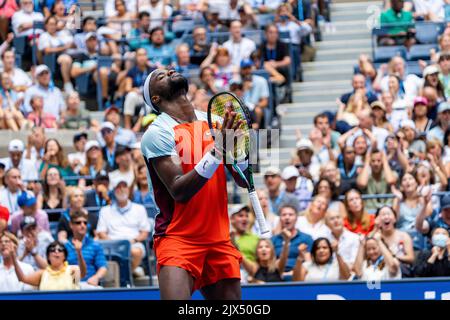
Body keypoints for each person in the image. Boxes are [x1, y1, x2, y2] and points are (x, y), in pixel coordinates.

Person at [140, 68, 247, 299]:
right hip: (178, 237)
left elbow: (242, 179)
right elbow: (179, 190)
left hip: (218, 237)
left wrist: (243, 150)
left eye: (169, 70)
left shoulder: (216, 122)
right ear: (156, 99)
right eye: (161, 76)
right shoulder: (157, 133)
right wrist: (218, 150)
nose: (169, 71)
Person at [97, 180, 151, 278]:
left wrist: (133, 240)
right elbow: (101, 233)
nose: (121, 190)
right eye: (118, 187)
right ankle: (130, 274)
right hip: (111, 244)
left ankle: (123, 277)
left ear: (128, 190)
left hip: (132, 243)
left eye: (124, 187)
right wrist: (113, 243)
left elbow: (144, 232)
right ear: (114, 191)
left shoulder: (139, 209)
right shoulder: (105, 210)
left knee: (136, 252)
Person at [11, 240, 85, 290]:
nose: (56, 251)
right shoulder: (42, 274)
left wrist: (79, 252)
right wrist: (13, 258)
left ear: (65, 256)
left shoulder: (73, 270)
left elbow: (82, 273)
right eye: (52, 250)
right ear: (48, 257)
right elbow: (22, 278)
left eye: (60, 250)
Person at [65, 210, 108, 288]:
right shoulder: (64, 247)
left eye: (85, 223)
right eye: (78, 223)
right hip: (70, 286)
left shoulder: (95, 245)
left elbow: (102, 267)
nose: (82, 225)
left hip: (89, 284)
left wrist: (96, 277)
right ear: (71, 225)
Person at [271, 205, 314, 280]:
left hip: (300, 277)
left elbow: (309, 263)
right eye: (284, 215)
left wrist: (294, 273)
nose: (287, 217)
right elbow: (270, 263)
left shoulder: (306, 238)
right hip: (276, 277)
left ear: (296, 218)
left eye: (291, 215)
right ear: (280, 219)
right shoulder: (273, 240)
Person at [392, 173, 433, 250]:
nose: (407, 181)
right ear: (401, 186)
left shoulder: (422, 197)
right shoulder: (397, 200)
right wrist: (398, 200)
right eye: (404, 180)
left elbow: (429, 213)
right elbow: (394, 219)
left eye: (410, 179)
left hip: (421, 234)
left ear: (416, 183)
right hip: (402, 236)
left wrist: (421, 196)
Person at [375, 206, 415, 277]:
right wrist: (375, 228)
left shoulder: (404, 236)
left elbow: (411, 258)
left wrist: (394, 257)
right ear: (378, 220)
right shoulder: (375, 237)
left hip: (400, 270)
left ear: (395, 219)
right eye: (383, 215)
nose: (386, 217)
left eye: (388, 214)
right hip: (380, 269)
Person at [38, 15, 74, 93]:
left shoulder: (61, 34)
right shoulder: (44, 36)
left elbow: (72, 43)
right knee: (66, 59)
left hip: (70, 56)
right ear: (46, 25)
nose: (53, 26)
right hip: (52, 60)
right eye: (50, 24)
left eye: (54, 24)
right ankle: (67, 84)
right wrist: (64, 48)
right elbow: (47, 50)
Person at [123, 48, 155, 131]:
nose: (142, 57)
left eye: (144, 55)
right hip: (137, 96)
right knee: (131, 95)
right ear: (136, 57)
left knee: (150, 100)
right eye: (139, 55)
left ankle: (138, 124)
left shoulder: (152, 70)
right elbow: (127, 88)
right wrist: (134, 89)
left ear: (147, 57)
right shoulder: (132, 71)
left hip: (148, 97)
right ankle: (127, 126)